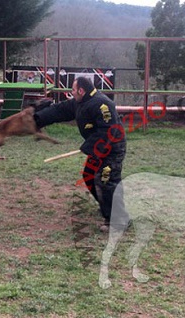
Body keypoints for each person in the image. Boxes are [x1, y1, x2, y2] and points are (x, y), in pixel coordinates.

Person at [33, 77, 126, 232]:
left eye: (73, 90)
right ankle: (107, 207)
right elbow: (60, 110)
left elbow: (109, 130)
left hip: (111, 148)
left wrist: (88, 147)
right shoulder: (80, 102)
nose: (72, 93)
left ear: (81, 91)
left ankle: (118, 220)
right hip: (98, 148)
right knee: (89, 175)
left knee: (106, 180)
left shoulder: (103, 104)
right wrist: (38, 119)